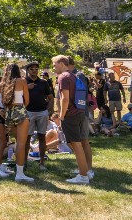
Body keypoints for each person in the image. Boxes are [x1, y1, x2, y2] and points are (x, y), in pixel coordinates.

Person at [0, 64, 32, 182]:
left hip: (8, 113)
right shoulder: (22, 81)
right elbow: (27, 100)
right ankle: (20, 173)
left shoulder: (2, 84)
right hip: (20, 111)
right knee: (21, 144)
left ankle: (6, 169)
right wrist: (21, 108)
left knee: (12, 142)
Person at [53, 55, 93, 184]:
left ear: (61, 63)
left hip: (71, 114)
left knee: (75, 145)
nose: (54, 67)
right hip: (80, 111)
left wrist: (62, 115)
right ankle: (85, 172)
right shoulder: (72, 76)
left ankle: (83, 176)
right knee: (79, 144)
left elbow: (65, 98)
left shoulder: (63, 77)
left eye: (55, 64)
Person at [24, 61, 53, 170]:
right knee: (27, 137)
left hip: (42, 111)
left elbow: (50, 97)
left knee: (42, 136)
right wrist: (27, 87)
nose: (34, 70)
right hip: (28, 112)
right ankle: (24, 162)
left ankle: (42, 162)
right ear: (28, 71)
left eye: (36, 68)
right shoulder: (23, 82)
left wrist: (49, 110)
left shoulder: (43, 82)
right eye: (32, 69)